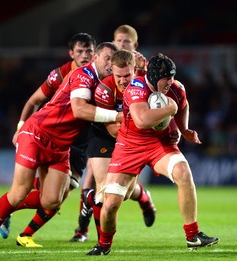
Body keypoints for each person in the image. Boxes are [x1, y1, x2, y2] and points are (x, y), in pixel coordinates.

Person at [0, 42, 121, 253]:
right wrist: (117, 116)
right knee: (19, 192)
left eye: (113, 59)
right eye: (107, 58)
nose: (110, 63)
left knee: (52, 201)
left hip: (61, 147)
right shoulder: (84, 74)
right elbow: (80, 110)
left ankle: (5, 204)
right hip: (37, 134)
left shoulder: (107, 84)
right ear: (96, 58)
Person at [87, 53, 219, 255]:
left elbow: (183, 104)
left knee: (183, 173)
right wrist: (169, 109)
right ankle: (104, 245)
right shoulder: (136, 88)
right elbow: (142, 121)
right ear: (155, 77)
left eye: (172, 77)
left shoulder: (176, 89)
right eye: (166, 78)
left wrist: (184, 129)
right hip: (129, 145)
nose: (170, 82)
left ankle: (193, 236)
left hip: (160, 144)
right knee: (111, 203)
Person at [0, 33, 97, 248]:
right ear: (71, 54)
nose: (85, 55)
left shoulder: (99, 74)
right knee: (55, 195)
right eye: (80, 51)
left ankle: (9, 209)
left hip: (78, 142)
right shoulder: (60, 74)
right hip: (49, 136)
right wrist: (21, 126)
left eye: (89, 51)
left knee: (56, 196)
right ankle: (15, 219)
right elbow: (34, 100)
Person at [70, 24, 153, 242]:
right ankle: (85, 231)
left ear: (134, 46)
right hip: (103, 129)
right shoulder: (103, 66)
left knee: (122, 190)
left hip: (129, 135)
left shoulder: (139, 72)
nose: (120, 45)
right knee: (97, 181)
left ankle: (142, 196)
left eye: (125, 42)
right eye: (118, 41)